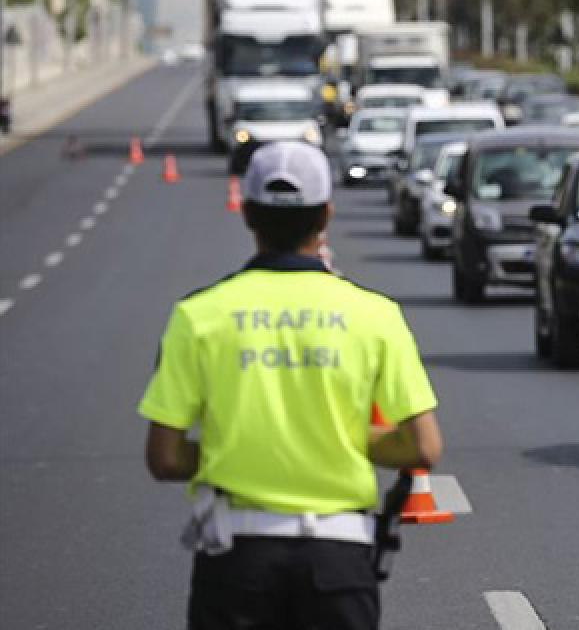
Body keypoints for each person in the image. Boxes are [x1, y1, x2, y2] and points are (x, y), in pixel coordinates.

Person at [139, 140, 443, 630]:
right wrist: (336, 440)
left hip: (237, 559)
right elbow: (423, 446)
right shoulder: (375, 316)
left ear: (248, 214)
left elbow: (165, 457)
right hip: (339, 561)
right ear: (325, 216)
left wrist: (238, 448)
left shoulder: (198, 317)